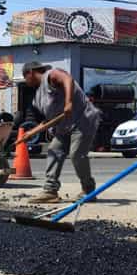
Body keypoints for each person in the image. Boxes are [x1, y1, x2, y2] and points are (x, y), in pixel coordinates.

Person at [23, 62, 101, 203]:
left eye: (25, 76)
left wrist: (68, 102)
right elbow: (48, 120)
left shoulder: (51, 75)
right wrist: (30, 133)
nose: (25, 80)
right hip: (63, 127)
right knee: (54, 151)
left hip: (82, 120)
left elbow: (67, 79)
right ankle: (50, 191)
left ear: (31, 72)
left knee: (76, 154)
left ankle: (88, 190)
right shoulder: (38, 97)